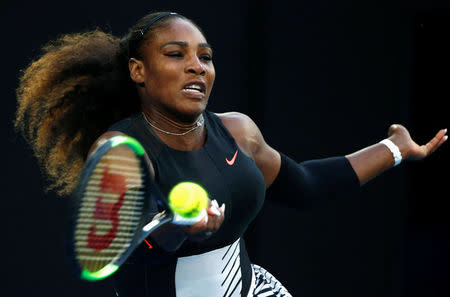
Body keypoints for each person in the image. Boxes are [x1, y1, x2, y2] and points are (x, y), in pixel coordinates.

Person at [14, 11, 447, 297]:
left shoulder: (238, 131)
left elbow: (305, 186)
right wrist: (181, 227)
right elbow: (133, 247)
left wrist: (394, 149)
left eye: (205, 56)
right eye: (175, 54)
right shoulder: (121, 151)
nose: (196, 66)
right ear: (138, 71)